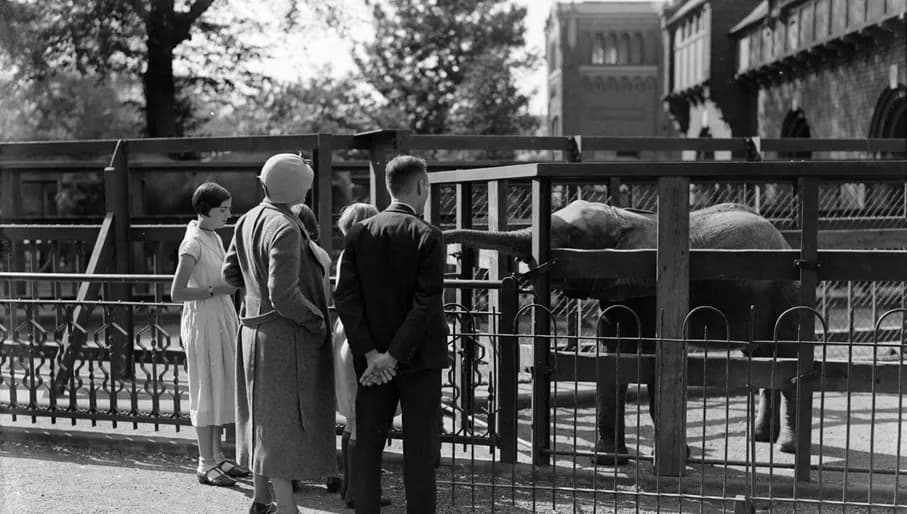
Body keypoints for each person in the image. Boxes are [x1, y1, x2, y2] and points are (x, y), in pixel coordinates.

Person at [223, 154, 337, 514]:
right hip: (285, 337)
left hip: (253, 331)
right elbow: (284, 294)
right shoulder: (286, 226)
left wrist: (254, 297)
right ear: (297, 186)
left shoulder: (247, 218)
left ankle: (261, 500)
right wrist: (316, 320)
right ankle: (287, 508)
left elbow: (231, 275)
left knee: (261, 420)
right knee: (285, 424)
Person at [334, 155, 448, 514]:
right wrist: (395, 355)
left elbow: (346, 299)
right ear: (421, 187)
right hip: (420, 359)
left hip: (371, 363)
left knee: (368, 444)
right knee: (420, 449)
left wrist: (371, 354)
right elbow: (425, 303)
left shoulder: (358, 233)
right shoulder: (428, 235)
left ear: (388, 187)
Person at [170, 182, 248, 487]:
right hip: (204, 319)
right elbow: (177, 292)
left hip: (221, 316)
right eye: (222, 210)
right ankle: (205, 462)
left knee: (220, 386)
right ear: (205, 211)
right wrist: (217, 289)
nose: (228, 214)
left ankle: (217, 457)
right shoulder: (193, 243)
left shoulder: (212, 235)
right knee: (206, 387)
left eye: (228, 208)